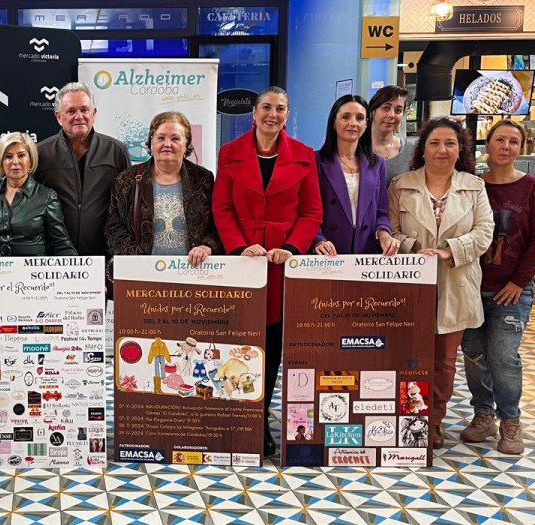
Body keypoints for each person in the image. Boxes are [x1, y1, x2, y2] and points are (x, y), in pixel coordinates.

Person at [212, 86, 322, 458]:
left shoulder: (305, 156)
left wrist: (291, 248)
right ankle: (236, 414)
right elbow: (222, 208)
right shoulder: (229, 153)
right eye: (266, 107)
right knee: (240, 341)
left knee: (272, 345)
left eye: (280, 108)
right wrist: (240, 247)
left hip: (282, 267)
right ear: (254, 113)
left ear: (287, 115)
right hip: (242, 264)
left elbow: (311, 213)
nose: (272, 114)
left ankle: (258, 419)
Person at [388, 117, 494, 449]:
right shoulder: (401, 185)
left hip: (456, 283)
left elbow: (484, 233)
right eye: (434, 143)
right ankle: (406, 417)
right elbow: (389, 230)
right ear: (423, 148)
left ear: (460, 149)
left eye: (450, 143)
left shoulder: (474, 187)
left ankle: (432, 421)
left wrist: (450, 251)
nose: (442, 150)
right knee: (408, 356)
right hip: (409, 284)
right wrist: (414, 249)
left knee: (445, 362)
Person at [460, 120, 535, 455]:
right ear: (488, 144)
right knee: (473, 353)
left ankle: (510, 421)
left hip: (512, 290)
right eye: (500, 139)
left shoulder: (532, 188)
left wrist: (519, 282)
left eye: (514, 141)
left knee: (503, 355)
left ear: (522, 148)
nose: (506, 146)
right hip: (470, 288)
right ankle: (483, 415)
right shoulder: (472, 186)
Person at [106, 111, 221, 267]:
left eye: (175, 138)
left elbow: (218, 223)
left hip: (193, 271)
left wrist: (206, 246)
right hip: (141, 275)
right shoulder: (127, 180)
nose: (167, 144)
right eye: (160, 138)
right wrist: (140, 260)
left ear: (187, 144)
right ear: (150, 143)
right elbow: (113, 228)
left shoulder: (203, 179)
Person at [34, 82, 131, 256]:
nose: (79, 116)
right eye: (71, 111)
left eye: (84, 110)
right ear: (58, 116)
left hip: (102, 256)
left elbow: (127, 208)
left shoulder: (116, 151)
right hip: (53, 258)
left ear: (93, 113)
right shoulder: (40, 154)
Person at [312, 94, 399, 256]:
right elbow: (308, 211)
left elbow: (381, 212)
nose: (353, 123)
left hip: (365, 253)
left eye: (360, 118)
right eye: (345, 117)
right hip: (326, 253)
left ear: (366, 124)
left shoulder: (377, 164)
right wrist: (318, 239)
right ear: (334, 122)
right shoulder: (314, 160)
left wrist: (384, 234)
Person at [0, 132, 76, 257]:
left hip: (32, 273)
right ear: (1, 162)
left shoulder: (47, 197)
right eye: (8, 157)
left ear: (30, 161)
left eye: (21, 155)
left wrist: (77, 272)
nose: (15, 162)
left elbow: (61, 244)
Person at [369, 86, 416, 184]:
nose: (391, 115)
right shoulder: (356, 148)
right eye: (386, 108)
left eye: (398, 110)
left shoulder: (411, 151)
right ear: (373, 111)